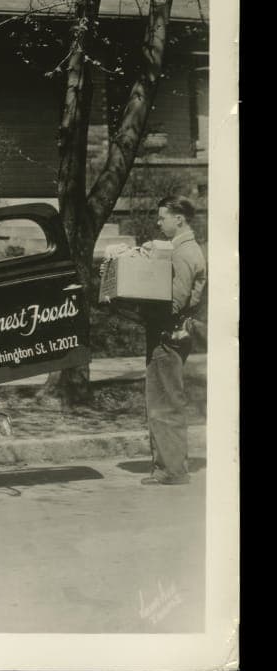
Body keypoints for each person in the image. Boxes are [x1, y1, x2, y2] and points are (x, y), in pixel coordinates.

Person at [139, 195, 207, 486]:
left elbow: (174, 302)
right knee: (165, 399)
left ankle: (172, 470)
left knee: (165, 402)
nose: (158, 222)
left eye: (162, 217)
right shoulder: (184, 250)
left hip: (168, 334)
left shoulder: (182, 253)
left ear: (178, 219)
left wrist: (138, 299)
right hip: (173, 333)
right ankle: (169, 466)